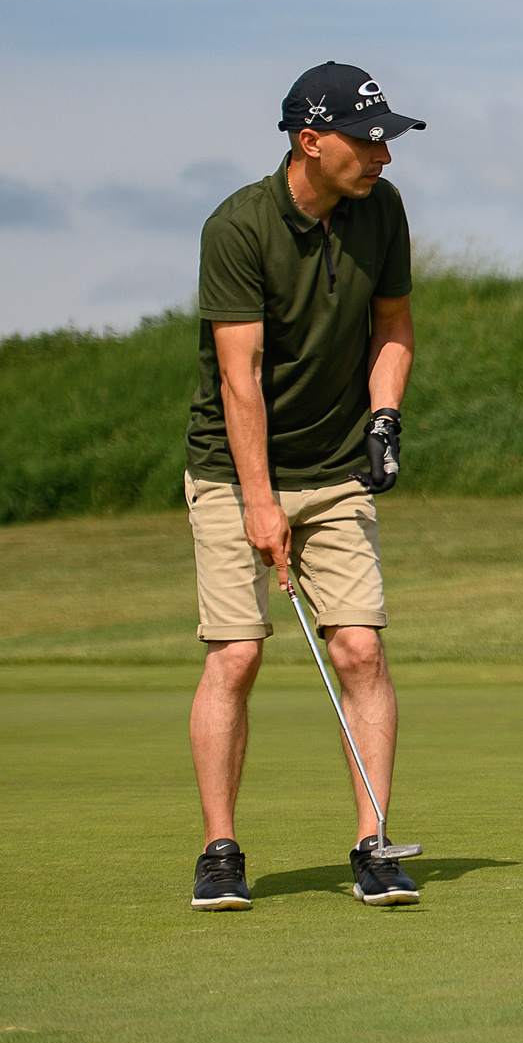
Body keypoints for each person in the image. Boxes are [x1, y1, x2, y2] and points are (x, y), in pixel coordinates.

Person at [184, 62, 427, 911]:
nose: (383, 155)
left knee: (360, 649)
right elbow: (239, 375)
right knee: (237, 653)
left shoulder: (382, 211)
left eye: (386, 140)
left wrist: (384, 418)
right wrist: (258, 501)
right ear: (310, 140)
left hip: (333, 468)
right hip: (231, 468)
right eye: (368, 140)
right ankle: (220, 851)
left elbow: (392, 323)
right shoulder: (239, 226)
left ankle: (374, 843)